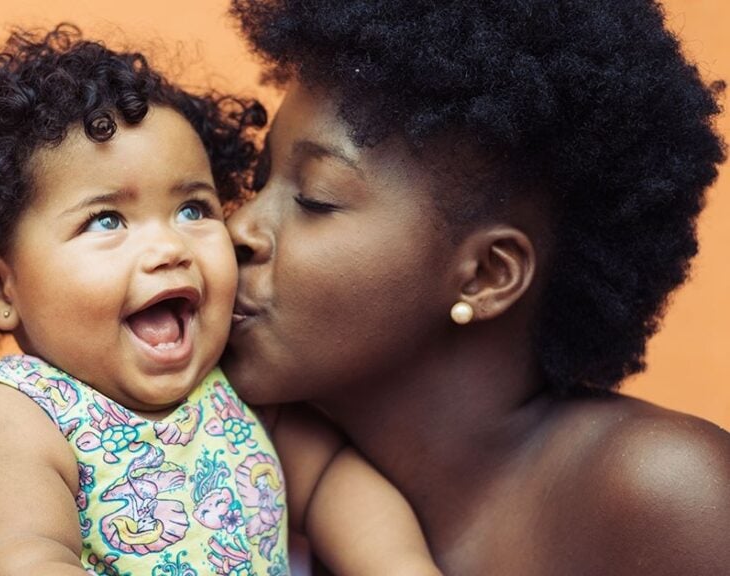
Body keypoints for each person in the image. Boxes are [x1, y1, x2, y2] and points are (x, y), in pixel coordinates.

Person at [0, 24, 439, 575]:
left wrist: (400, 565)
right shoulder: (20, 410)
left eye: (193, 210)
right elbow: (23, 553)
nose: (169, 246)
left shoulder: (231, 384)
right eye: (107, 219)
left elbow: (332, 482)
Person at [222, 0, 730, 574]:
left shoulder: (662, 492)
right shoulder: (232, 458)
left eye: (316, 198)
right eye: (261, 180)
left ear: (487, 275)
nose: (237, 228)